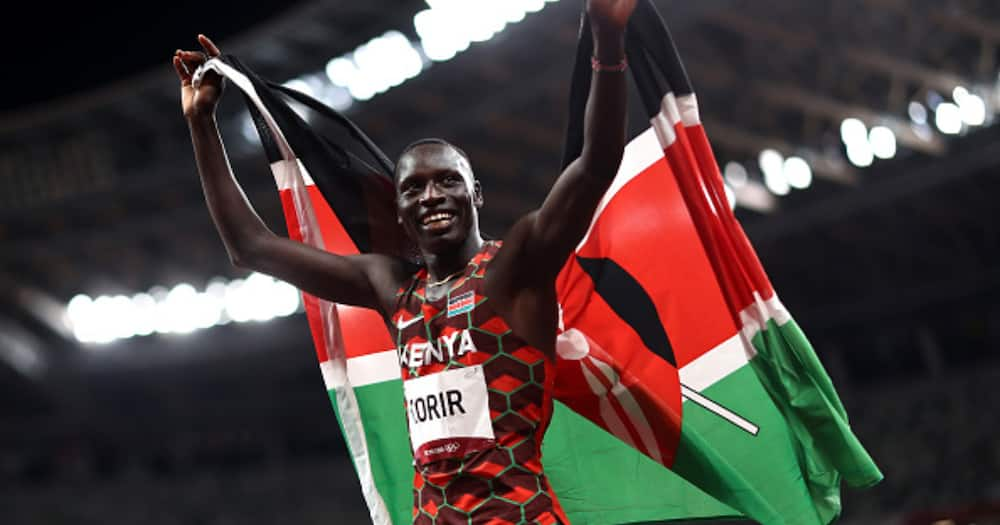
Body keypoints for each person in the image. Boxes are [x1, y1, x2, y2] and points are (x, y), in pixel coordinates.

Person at [173, 1, 636, 523]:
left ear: (475, 195)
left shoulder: (516, 266)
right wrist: (201, 123)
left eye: (447, 181)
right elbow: (249, 247)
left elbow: (596, 165)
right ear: (399, 209)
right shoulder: (393, 287)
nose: (431, 195)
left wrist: (608, 40)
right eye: (413, 187)